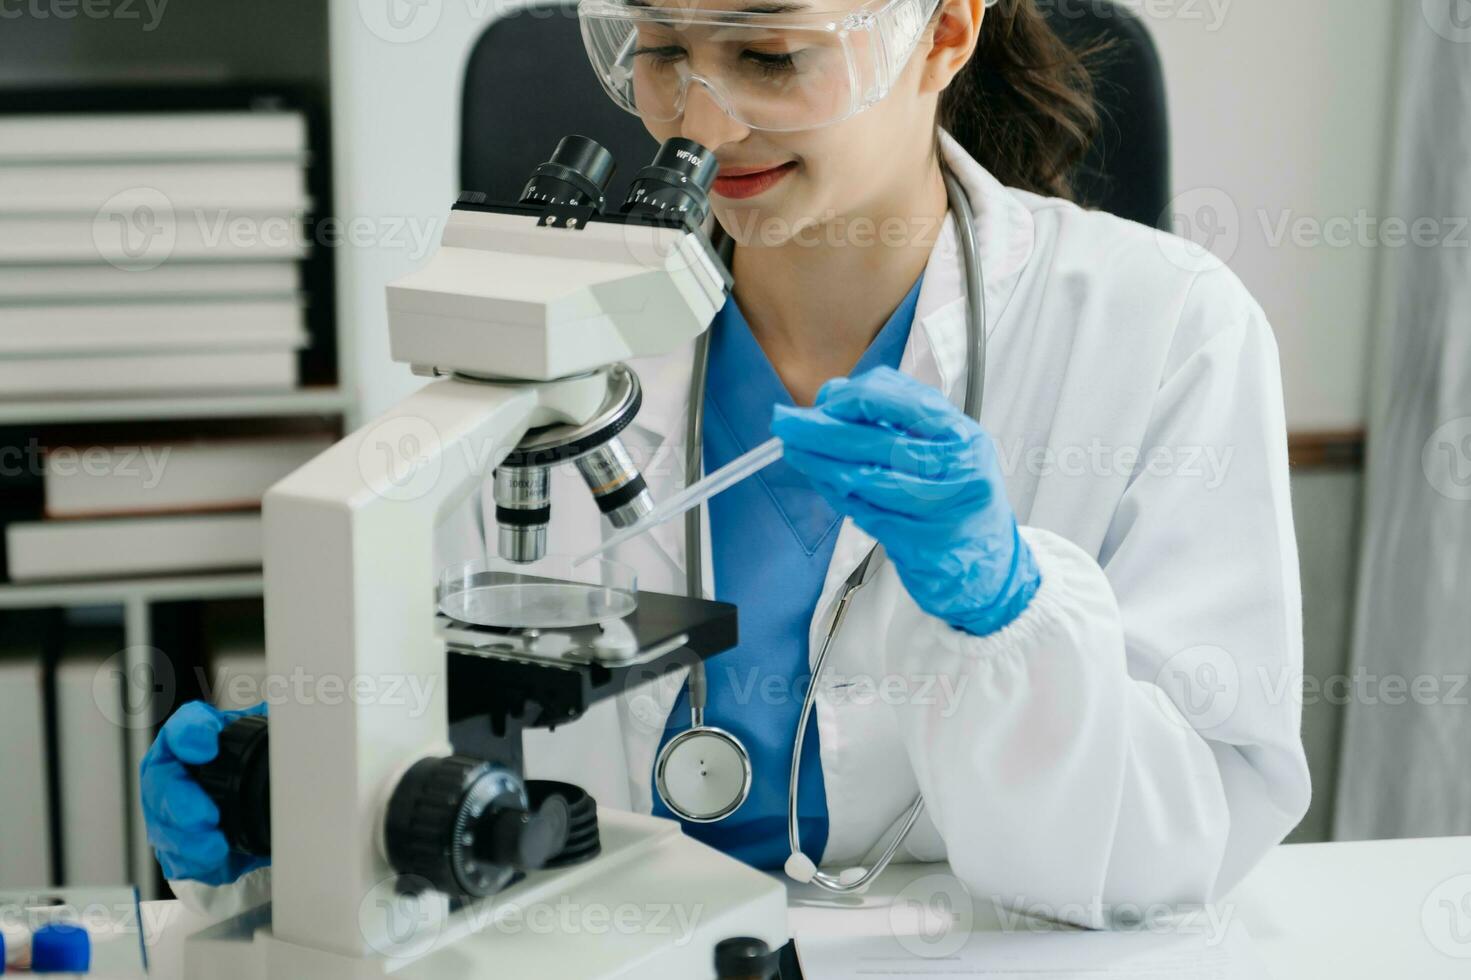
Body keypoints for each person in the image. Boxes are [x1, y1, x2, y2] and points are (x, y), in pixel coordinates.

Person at [143, 0, 1310, 924]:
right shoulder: (550, 338)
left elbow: (1192, 836)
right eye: (659, 50)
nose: (701, 121)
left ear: (943, 30)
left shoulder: (1163, 332)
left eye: (767, 52)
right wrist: (294, 802)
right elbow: (443, 727)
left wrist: (1013, 610)